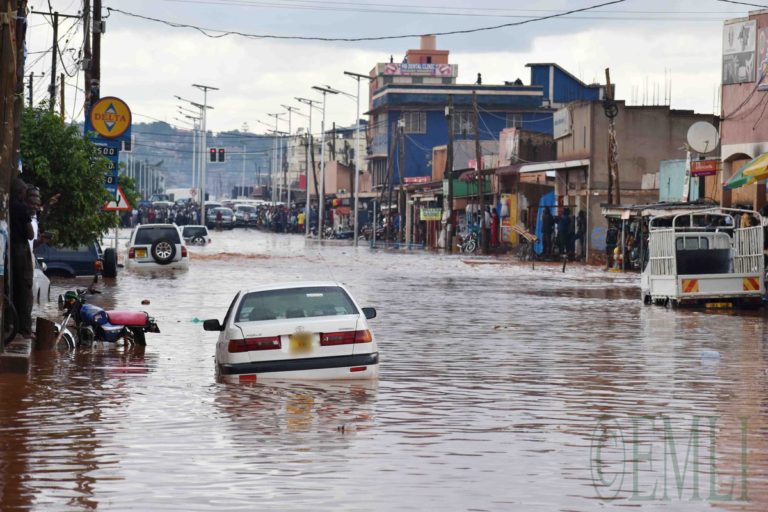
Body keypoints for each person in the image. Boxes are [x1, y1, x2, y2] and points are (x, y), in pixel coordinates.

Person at [10, 179, 35, 339]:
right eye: (25, 192)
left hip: (12, 248)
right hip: (20, 248)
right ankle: (25, 329)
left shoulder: (9, 206)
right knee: (25, 288)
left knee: (17, 288)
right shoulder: (21, 208)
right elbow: (31, 234)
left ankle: (18, 326)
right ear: (20, 192)